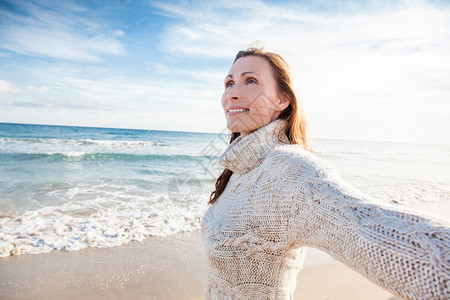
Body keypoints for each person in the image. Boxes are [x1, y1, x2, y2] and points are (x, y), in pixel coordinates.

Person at [201, 47, 449, 300]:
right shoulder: (237, 170)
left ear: (282, 99)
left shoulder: (290, 171)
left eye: (250, 80)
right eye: (229, 83)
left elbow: (366, 226)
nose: (232, 93)